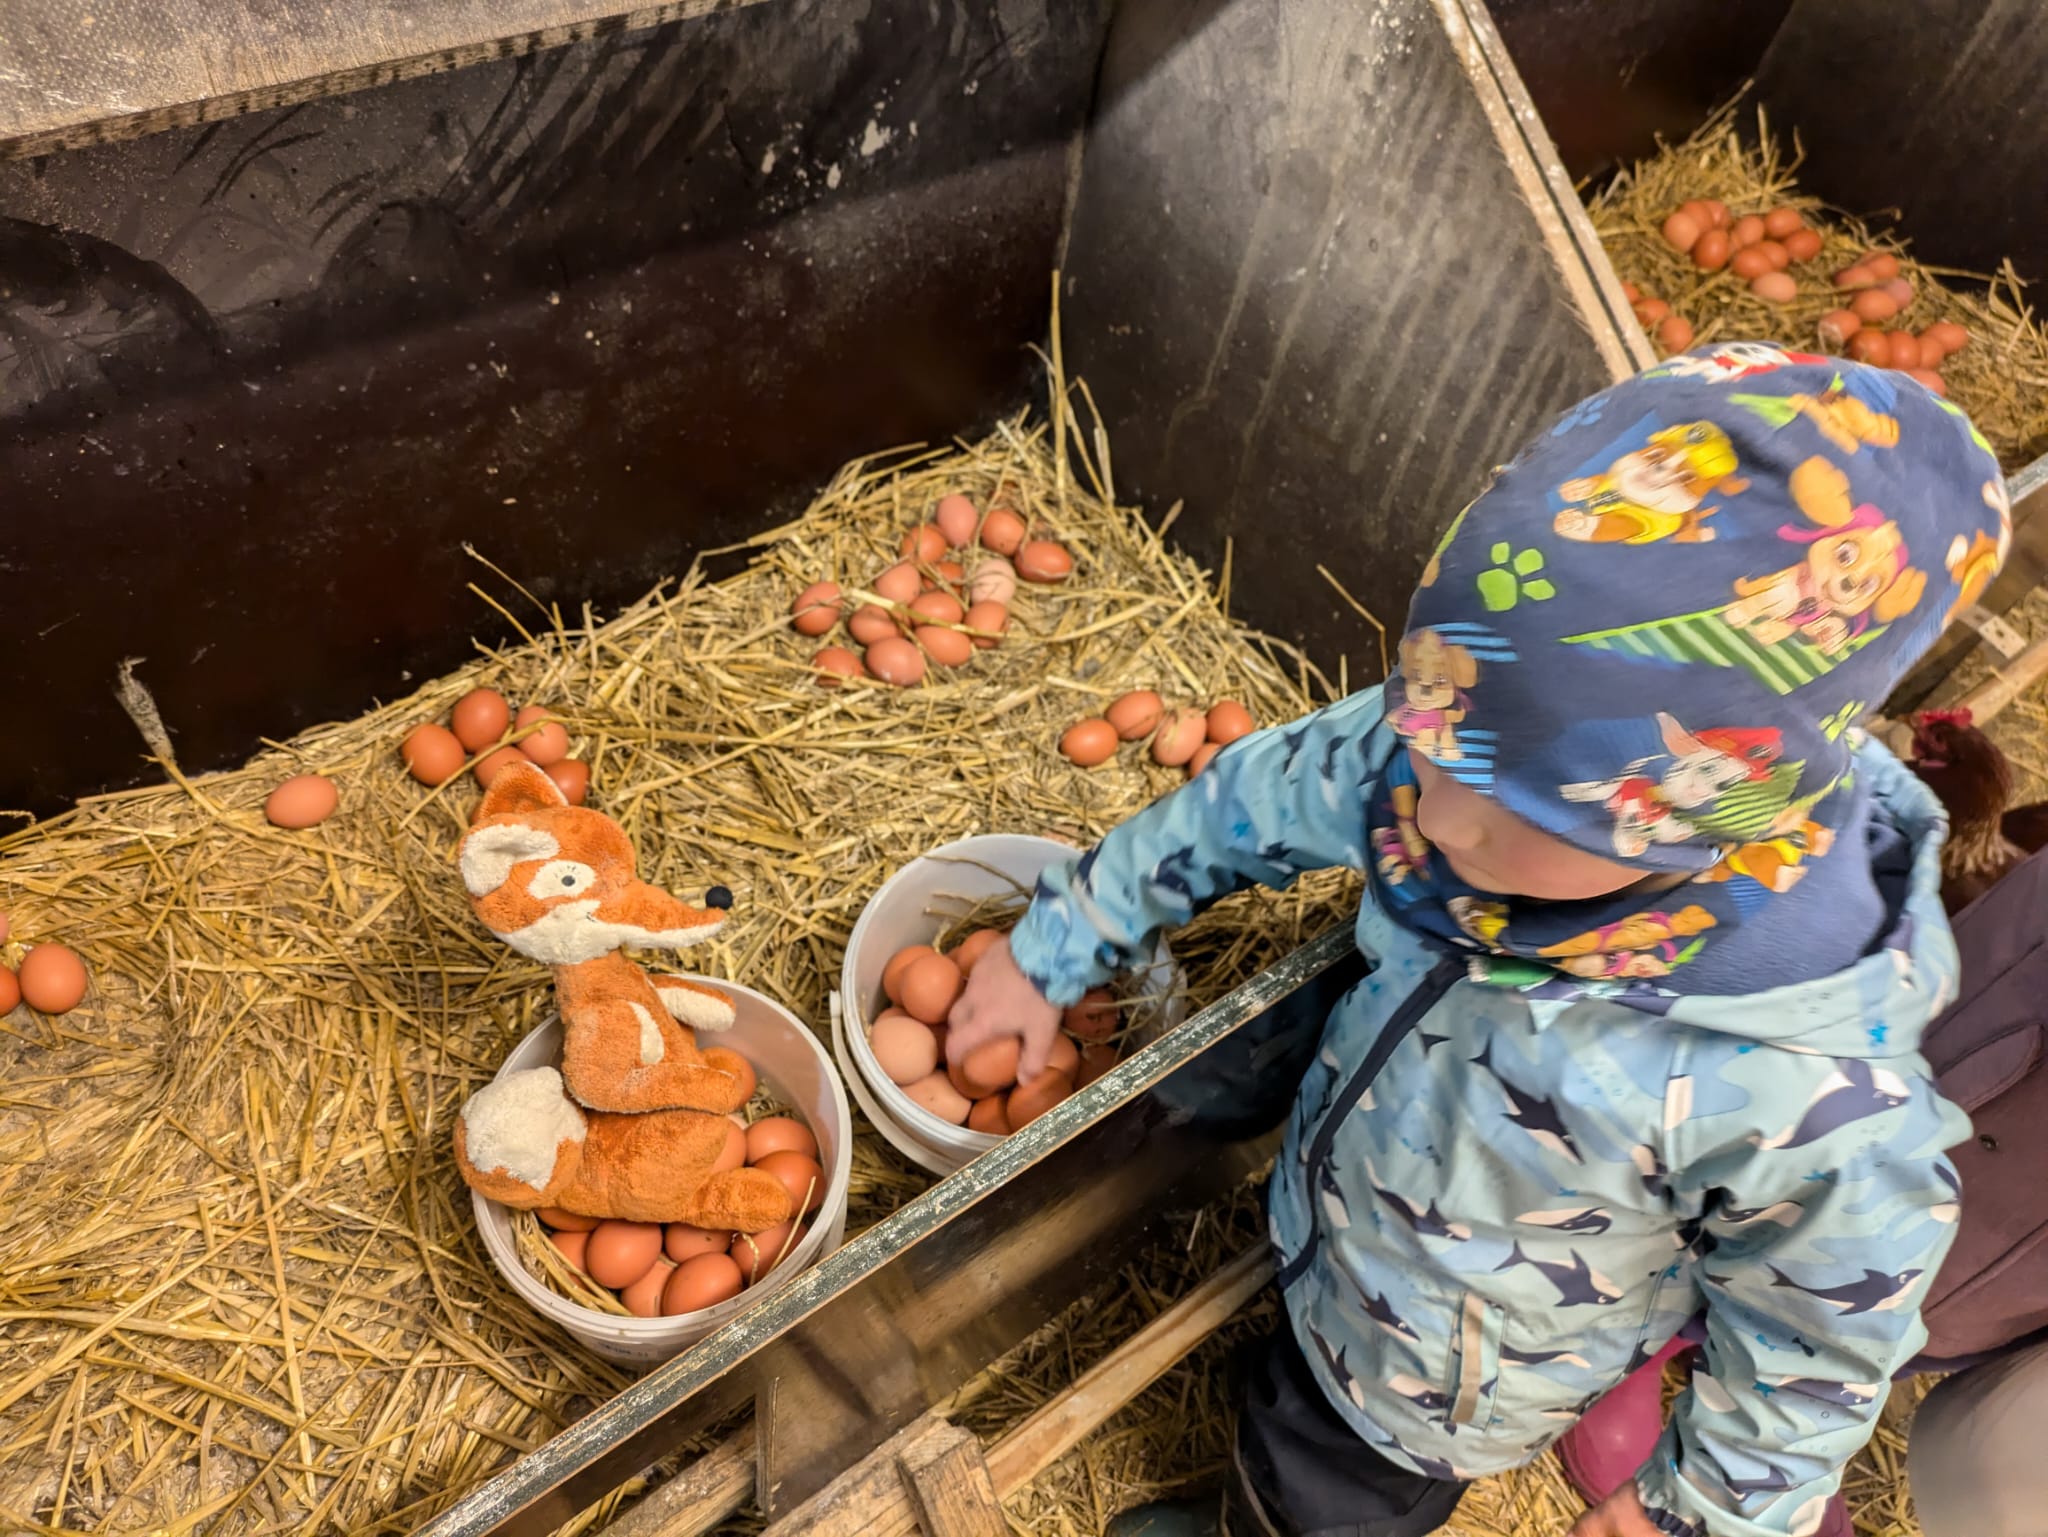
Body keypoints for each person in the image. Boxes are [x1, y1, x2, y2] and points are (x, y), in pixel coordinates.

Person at [942, 348, 2011, 1537]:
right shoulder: (1476, 730)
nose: (1435, 816)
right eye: (1428, 735)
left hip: (1433, 1384)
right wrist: (1064, 935)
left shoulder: (1805, 1087)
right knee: (1286, 1374)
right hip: (1342, 1192)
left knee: (1308, 1494)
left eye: (1511, 812)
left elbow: (1823, 1340)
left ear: (1695, 814)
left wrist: (1693, 1511)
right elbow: (1257, 791)